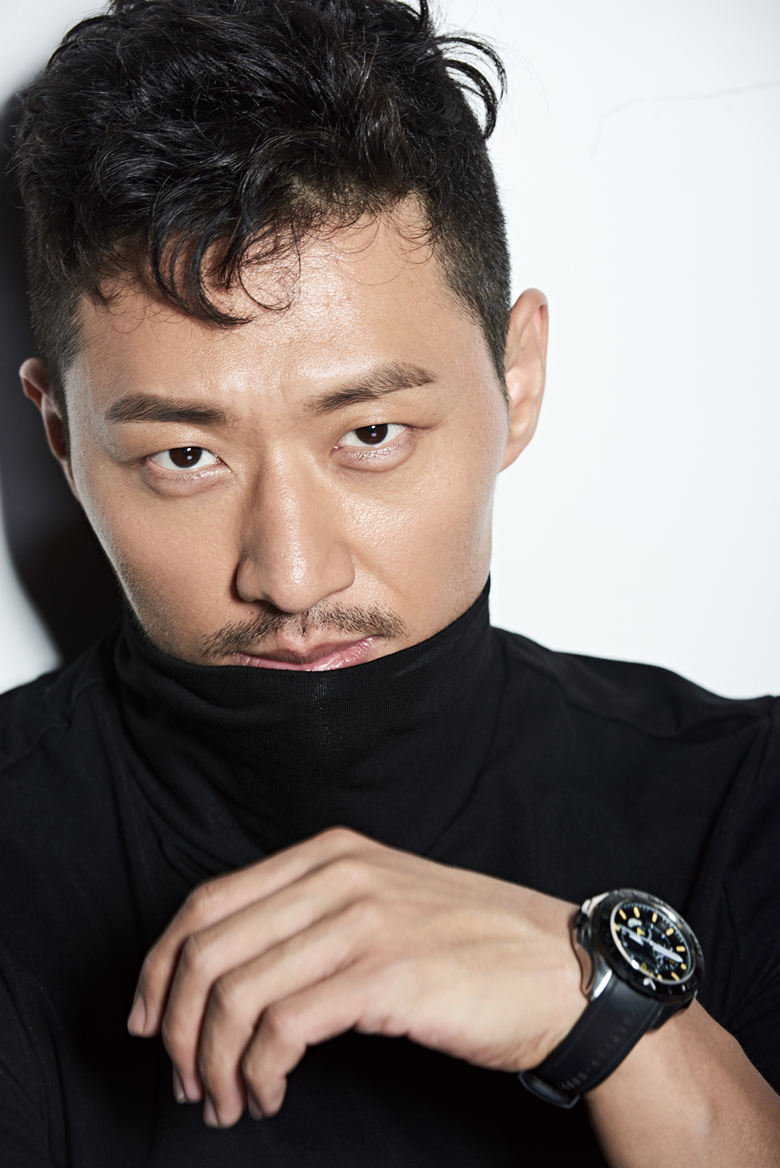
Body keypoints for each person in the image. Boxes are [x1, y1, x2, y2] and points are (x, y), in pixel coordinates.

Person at [3, 0, 779, 1164]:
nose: (291, 575)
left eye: (370, 433)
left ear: (518, 378)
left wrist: (607, 1012)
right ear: (64, 440)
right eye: (185, 455)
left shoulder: (745, 804)